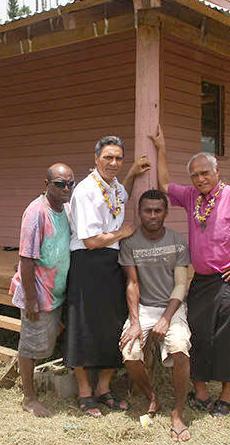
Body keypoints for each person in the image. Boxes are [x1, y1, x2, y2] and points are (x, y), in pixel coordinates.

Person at [149, 124, 230, 418]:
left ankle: (226, 396)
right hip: (202, 281)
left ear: (217, 172)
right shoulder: (193, 197)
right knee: (200, 336)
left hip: (229, 280)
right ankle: (201, 391)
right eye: (194, 174)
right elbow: (166, 184)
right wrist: (162, 149)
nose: (200, 178)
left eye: (205, 172)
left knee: (229, 340)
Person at [64, 136, 150, 417]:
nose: (113, 163)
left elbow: (120, 195)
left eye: (118, 159)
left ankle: (103, 387)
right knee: (83, 325)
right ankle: (85, 392)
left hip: (113, 260)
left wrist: (133, 173)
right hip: (88, 262)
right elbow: (89, 241)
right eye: (108, 158)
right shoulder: (87, 190)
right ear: (96, 159)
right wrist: (122, 234)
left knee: (113, 324)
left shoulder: (112, 186)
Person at [119, 190, 193, 442]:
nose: (152, 215)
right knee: (129, 353)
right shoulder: (130, 242)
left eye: (158, 210)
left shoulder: (178, 241)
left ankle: (178, 413)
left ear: (165, 212)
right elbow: (132, 282)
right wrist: (136, 322)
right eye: (147, 210)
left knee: (180, 348)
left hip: (172, 306)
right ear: (139, 212)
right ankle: (151, 396)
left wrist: (166, 318)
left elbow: (181, 285)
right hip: (144, 308)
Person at [8, 163, 75, 417]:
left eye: (70, 183)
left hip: (58, 290)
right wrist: (32, 300)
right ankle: (29, 397)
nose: (66, 188)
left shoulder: (67, 210)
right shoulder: (36, 212)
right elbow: (25, 259)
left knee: (48, 338)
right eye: (59, 184)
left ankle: (33, 382)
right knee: (30, 346)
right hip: (38, 291)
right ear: (47, 185)